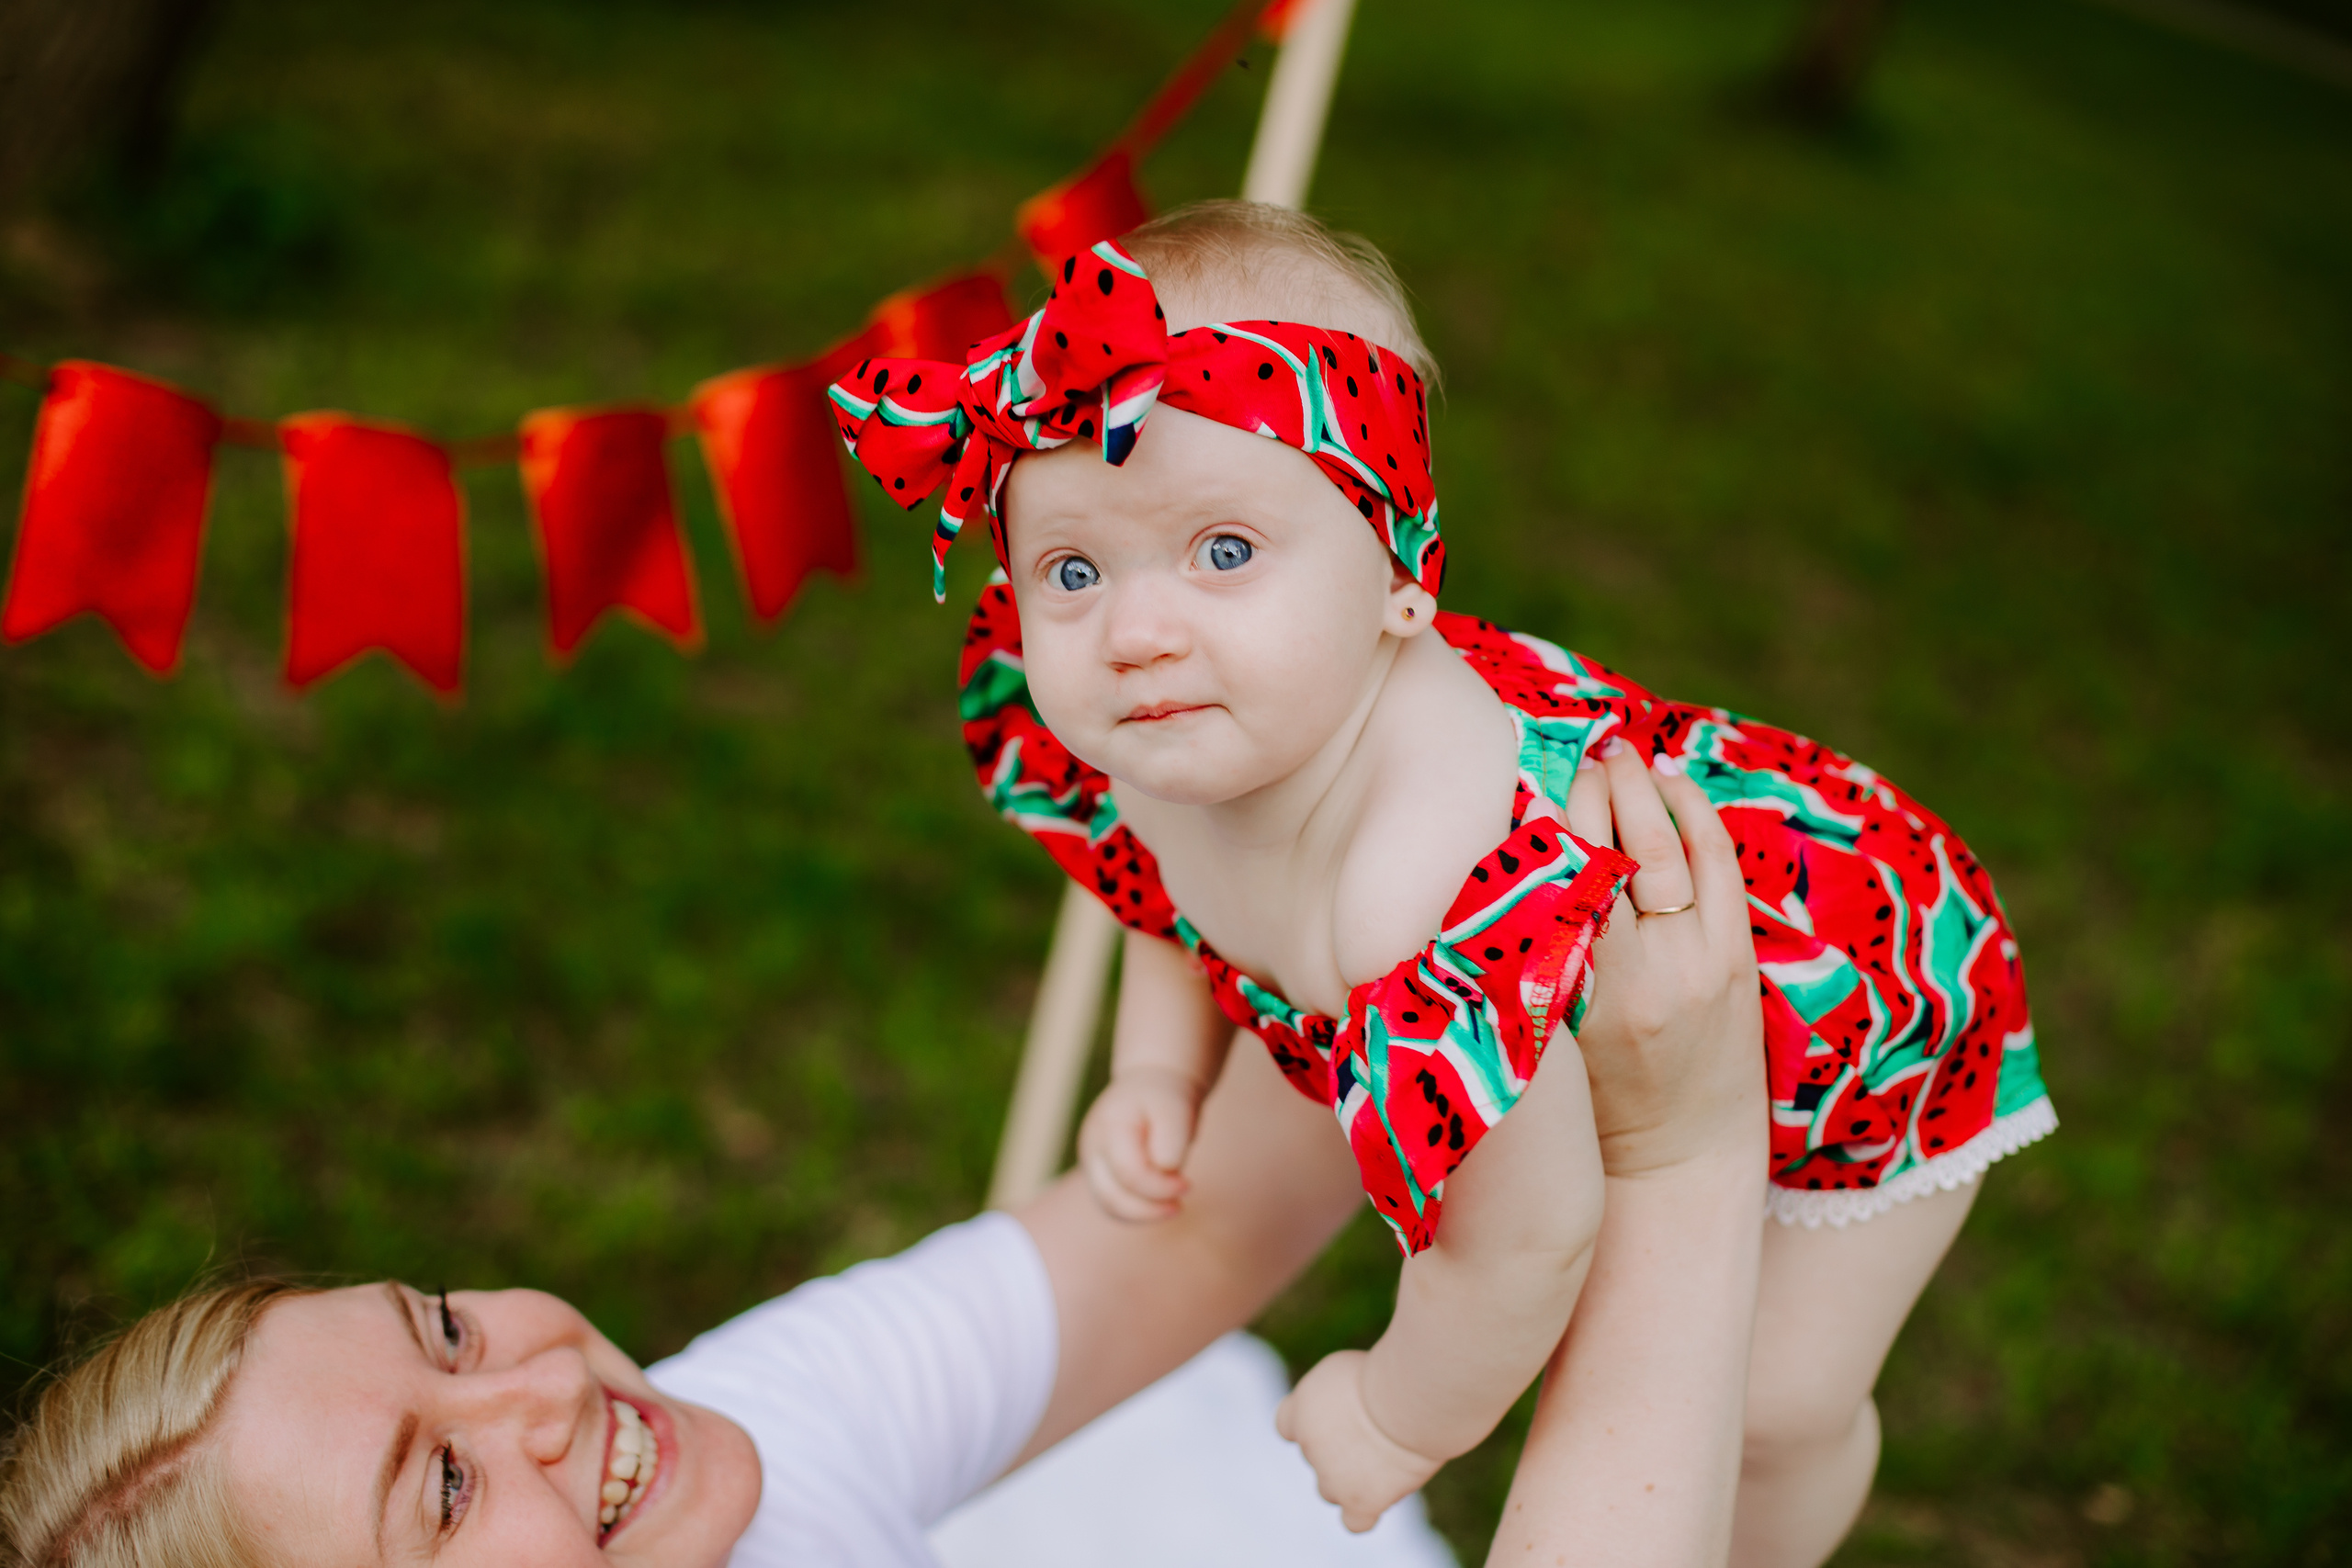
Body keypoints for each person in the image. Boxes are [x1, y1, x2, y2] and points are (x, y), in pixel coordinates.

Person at [829, 199, 2052, 1566]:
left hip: (1860, 988)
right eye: (1072, 567)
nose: (1138, 629)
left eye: (1223, 551)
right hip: (1623, 1015)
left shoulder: (1418, 888)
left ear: (1399, 584)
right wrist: (1157, 1074)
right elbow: (1158, 901)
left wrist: (1401, 1412)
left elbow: (1527, 1238)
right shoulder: (1172, 742)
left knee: (1775, 1401)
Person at [0, 753, 1767, 1568]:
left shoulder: (726, 1453)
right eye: (440, 1495)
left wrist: (1384, 841)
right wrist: (1682, 1158)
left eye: (447, 1328)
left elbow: (1204, 1232)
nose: (537, 1387)